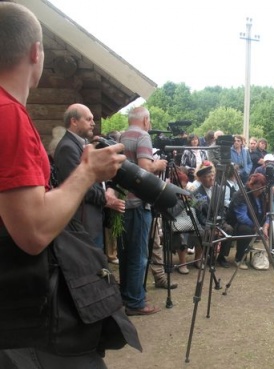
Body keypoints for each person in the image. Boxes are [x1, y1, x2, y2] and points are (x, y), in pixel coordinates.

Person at [0, 3, 140, 367]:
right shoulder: (8, 115)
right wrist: (88, 173)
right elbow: (31, 231)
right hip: (22, 312)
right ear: (36, 52)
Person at [118, 107, 168, 316]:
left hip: (122, 202)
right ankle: (136, 302)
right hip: (138, 201)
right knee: (139, 255)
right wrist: (160, 164)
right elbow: (145, 167)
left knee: (126, 254)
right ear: (145, 120)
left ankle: (127, 295)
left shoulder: (122, 136)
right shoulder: (142, 136)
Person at [54, 104, 125, 250]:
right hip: (81, 224)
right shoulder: (68, 147)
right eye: (88, 119)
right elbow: (80, 186)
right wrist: (108, 200)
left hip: (90, 221)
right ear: (74, 121)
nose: (93, 123)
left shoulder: (83, 144)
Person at [192, 161, 234, 268]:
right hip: (205, 222)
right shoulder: (196, 194)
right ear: (201, 179)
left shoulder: (219, 189)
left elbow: (221, 209)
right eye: (207, 177)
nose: (211, 178)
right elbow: (199, 215)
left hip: (218, 220)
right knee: (209, 233)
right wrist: (211, 226)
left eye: (212, 175)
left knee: (229, 229)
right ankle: (209, 256)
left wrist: (219, 223)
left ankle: (222, 257)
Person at [227, 173, 270, 270]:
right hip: (239, 223)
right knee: (245, 229)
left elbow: (269, 212)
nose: (260, 190)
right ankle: (240, 258)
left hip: (258, 221)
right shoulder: (241, 195)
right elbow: (242, 216)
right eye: (258, 187)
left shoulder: (262, 194)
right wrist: (257, 227)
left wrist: (266, 226)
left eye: (262, 188)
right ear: (251, 185)